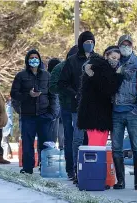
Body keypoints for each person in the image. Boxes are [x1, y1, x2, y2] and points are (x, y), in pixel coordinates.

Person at [58, 31, 99, 184]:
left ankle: (92, 168)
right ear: (81, 43)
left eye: (92, 41)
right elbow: (62, 83)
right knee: (78, 139)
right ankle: (77, 169)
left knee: (92, 140)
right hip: (78, 106)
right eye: (87, 41)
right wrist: (75, 94)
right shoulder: (72, 61)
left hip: (94, 107)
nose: (90, 44)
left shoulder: (97, 59)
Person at [11, 49, 58, 174]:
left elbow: (53, 95)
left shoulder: (47, 75)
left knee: (46, 143)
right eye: (31, 58)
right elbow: (14, 94)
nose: (34, 60)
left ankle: (45, 168)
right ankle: (28, 168)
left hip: (44, 115)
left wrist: (52, 113)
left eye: (36, 57)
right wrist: (28, 95)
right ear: (27, 60)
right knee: (27, 143)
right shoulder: (21, 76)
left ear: (40, 59)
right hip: (28, 115)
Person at [112, 35, 137, 190]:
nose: (125, 47)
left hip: (132, 111)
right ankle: (120, 180)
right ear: (118, 46)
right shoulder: (112, 62)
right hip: (115, 112)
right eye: (122, 45)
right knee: (116, 147)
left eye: (128, 45)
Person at [77, 46, 123, 146]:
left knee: (99, 146)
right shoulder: (101, 68)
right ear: (106, 55)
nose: (115, 61)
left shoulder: (99, 67)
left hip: (98, 114)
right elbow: (108, 88)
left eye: (118, 59)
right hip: (96, 115)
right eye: (113, 57)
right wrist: (118, 76)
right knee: (96, 147)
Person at [49, 45, 78, 180]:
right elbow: (52, 87)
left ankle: (80, 168)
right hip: (66, 107)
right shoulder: (60, 68)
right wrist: (66, 89)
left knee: (82, 138)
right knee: (69, 138)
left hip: (82, 107)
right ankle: (71, 170)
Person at [47, 58, 63, 148]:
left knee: (53, 138)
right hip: (54, 113)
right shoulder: (51, 79)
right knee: (52, 138)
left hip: (57, 113)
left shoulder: (57, 78)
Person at [2, 94, 13, 159]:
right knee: (5, 140)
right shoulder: (8, 105)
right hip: (7, 124)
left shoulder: (8, 106)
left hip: (6, 125)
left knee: (5, 140)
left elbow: (8, 116)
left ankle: (7, 154)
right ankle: (9, 153)